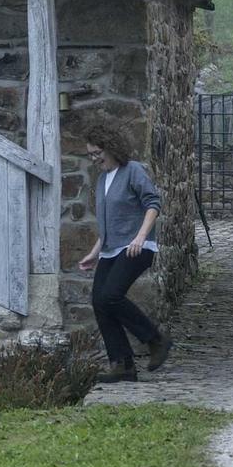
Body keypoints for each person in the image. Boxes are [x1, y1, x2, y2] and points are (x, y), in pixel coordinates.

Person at [76, 116, 173, 384]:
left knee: (110, 295)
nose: (95, 159)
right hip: (110, 250)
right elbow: (109, 224)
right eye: (91, 155)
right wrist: (95, 252)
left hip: (136, 247)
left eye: (98, 153)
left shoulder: (133, 171)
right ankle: (122, 364)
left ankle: (155, 340)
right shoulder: (102, 180)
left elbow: (153, 203)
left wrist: (140, 237)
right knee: (100, 301)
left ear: (111, 147)